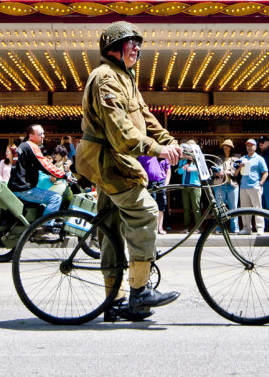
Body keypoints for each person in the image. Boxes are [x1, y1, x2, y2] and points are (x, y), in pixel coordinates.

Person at [75, 21, 184, 318]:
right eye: (131, 42)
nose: (137, 48)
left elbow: (145, 118)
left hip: (115, 160)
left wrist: (170, 140)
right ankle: (139, 292)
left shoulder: (126, 77)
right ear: (113, 49)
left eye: (138, 43)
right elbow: (121, 132)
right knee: (146, 211)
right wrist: (158, 149)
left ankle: (113, 301)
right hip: (108, 160)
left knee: (111, 227)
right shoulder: (105, 78)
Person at [8, 124, 65, 215]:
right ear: (31, 136)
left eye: (43, 133)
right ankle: (46, 227)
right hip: (24, 189)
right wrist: (64, 175)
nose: (43, 136)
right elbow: (44, 165)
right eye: (40, 133)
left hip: (17, 188)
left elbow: (39, 165)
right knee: (56, 198)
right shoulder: (31, 146)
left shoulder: (23, 146)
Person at [237, 138, 269, 234]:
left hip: (255, 186)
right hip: (243, 186)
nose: (249, 148)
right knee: (245, 208)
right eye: (248, 146)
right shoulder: (242, 159)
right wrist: (239, 167)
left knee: (257, 208)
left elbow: (265, 172)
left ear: (255, 147)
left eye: (251, 146)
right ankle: (247, 228)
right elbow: (235, 174)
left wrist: (260, 183)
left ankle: (260, 228)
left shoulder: (259, 159)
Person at [137, 154, 170, 234]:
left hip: (161, 182)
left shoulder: (163, 156)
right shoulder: (142, 156)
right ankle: (152, 228)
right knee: (150, 206)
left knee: (161, 206)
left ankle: (160, 228)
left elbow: (168, 170)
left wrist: (166, 184)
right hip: (149, 183)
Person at [212, 139, 238, 233]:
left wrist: (228, 172)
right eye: (224, 146)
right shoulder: (218, 158)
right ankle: (219, 228)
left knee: (233, 207)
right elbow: (214, 171)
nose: (225, 148)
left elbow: (237, 172)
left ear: (231, 148)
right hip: (220, 185)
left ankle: (234, 228)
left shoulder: (236, 159)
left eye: (227, 146)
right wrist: (219, 173)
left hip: (232, 185)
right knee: (219, 207)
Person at [177, 142, 203, 231]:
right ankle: (186, 227)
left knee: (196, 207)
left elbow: (201, 172)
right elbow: (179, 172)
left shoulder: (197, 159)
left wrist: (193, 169)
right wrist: (183, 167)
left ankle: (198, 227)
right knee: (186, 208)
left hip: (195, 186)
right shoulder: (183, 160)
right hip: (185, 186)